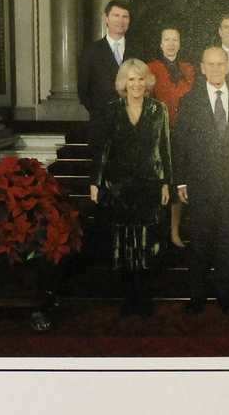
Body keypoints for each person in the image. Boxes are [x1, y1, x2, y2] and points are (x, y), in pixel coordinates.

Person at [172, 47, 229, 315]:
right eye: (212, 64)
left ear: (228, 65)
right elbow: (181, 143)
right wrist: (181, 181)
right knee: (199, 242)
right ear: (203, 67)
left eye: (222, 63)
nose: (217, 68)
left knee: (228, 242)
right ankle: (196, 296)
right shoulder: (189, 100)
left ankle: (224, 295)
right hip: (200, 184)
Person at [88, 59, 171, 317]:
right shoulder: (111, 109)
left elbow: (165, 147)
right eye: (131, 79)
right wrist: (95, 182)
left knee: (147, 240)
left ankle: (144, 295)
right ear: (123, 83)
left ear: (148, 82)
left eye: (140, 79)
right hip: (119, 185)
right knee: (123, 240)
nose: (136, 84)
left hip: (149, 183)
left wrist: (166, 181)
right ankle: (128, 296)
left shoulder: (160, 109)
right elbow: (102, 149)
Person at [147, 27, 196, 248]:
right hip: (159, 134)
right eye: (166, 39)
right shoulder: (152, 68)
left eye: (175, 40)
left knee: (178, 183)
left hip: (183, 135)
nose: (171, 44)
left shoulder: (188, 69)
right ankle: (157, 231)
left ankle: (174, 232)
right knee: (160, 181)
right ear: (160, 43)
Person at [78, 0, 143, 152]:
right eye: (116, 15)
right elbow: (83, 90)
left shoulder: (140, 50)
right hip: (102, 127)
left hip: (133, 126)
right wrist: (102, 114)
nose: (120, 21)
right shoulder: (90, 52)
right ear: (106, 18)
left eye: (125, 16)